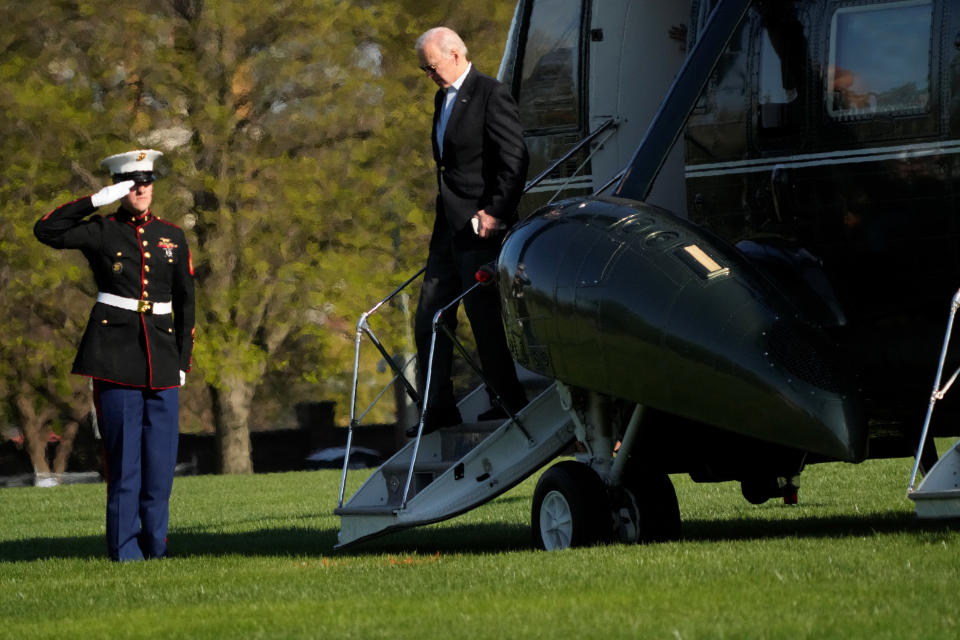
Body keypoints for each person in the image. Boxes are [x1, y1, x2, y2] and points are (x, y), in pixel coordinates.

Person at [34, 149, 195, 561]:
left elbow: (185, 300)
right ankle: (125, 551)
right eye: (132, 183)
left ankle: (155, 548)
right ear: (121, 187)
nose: (142, 189)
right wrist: (95, 200)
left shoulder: (172, 235)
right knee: (125, 465)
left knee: (160, 467)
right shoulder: (101, 231)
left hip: (161, 357)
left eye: (147, 182)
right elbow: (47, 230)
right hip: (115, 357)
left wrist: (181, 361)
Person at [409, 27, 529, 437]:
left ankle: (507, 400)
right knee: (429, 316)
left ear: (455, 54)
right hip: (447, 227)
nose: (428, 75)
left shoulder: (490, 94)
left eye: (432, 66)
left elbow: (514, 160)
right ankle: (438, 409)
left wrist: (496, 212)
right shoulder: (441, 99)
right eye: (424, 69)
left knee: (484, 317)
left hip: (480, 228)